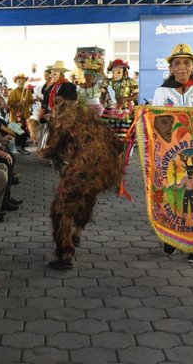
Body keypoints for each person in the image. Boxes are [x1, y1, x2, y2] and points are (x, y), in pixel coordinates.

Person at [39, 78, 122, 270]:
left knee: (61, 208)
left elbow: (47, 151)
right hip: (105, 172)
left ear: (59, 99)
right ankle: (77, 233)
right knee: (86, 197)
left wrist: (35, 130)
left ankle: (65, 253)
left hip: (82, 170)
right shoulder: (91, 115)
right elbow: (117, 144)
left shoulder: (64, 118)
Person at [152, 43, 193, 263]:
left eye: (186, 63)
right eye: (177, 63)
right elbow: (154, 123)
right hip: (170, 158)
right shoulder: (162, 92)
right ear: (170, 68)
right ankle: (171, 238)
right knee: (171, 197)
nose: (181, 67)